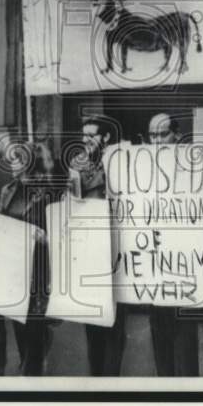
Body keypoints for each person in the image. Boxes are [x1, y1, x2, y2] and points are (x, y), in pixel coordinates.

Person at [0, 141, 63, 376]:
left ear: (29, 164)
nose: (11, 164)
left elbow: (61, 232)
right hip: (14, 265)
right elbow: (9, 225)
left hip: (38, 266)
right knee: (18, 320)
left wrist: (45, 237)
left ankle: (32, 373)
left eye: (17, 160)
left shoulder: (49, 192)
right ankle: (27, 363)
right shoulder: (7, 190)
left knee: (33, 322)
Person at [69, 114, 128, 376]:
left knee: (114, 320)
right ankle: (96, 379)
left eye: (92, 134)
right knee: (91, 317)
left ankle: (111, 379)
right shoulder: (77, 165)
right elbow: (71, 203)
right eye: (84, 135)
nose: (86, 140)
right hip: (90, 250)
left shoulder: (120, 163)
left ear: (105, 137)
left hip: (116, 250)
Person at [144, 112, 202, 377]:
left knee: (184, 338)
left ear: (176, 135)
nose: (157, 141)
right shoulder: (140, 167)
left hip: (184, 264)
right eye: (152, 135)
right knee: (160, 336)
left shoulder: (193, 164)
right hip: (153, 263)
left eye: (163, 134)